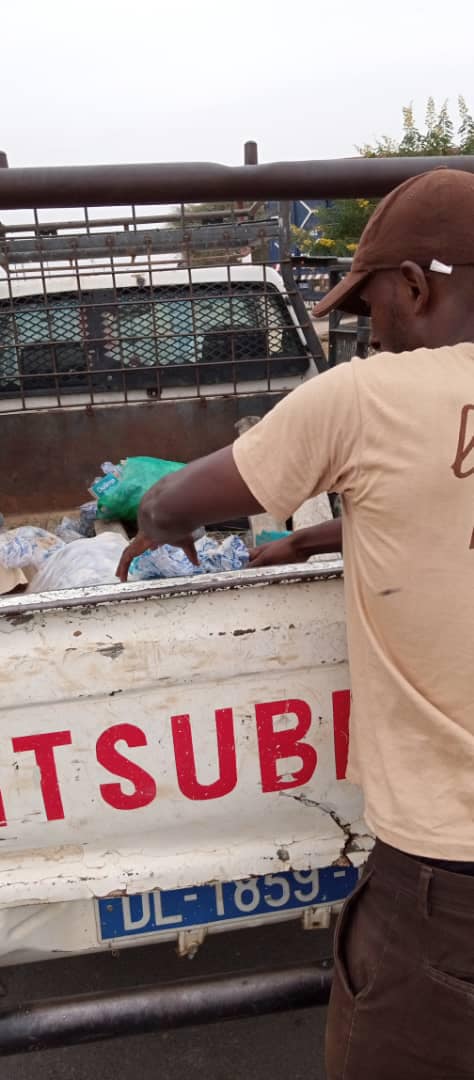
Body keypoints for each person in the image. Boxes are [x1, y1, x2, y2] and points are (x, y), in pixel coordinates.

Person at [118, 167, 474, 1080]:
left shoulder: (363, 398)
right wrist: (321, 537)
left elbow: (172, 504)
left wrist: (152, 527)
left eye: (372, 306)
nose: (371, 330)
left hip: (451, 878)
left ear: (417, 287)